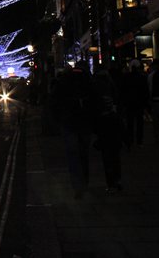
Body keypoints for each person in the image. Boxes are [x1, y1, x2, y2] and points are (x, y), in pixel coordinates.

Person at [53, 61, 96, 199]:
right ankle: (85, 181)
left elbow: (54, 102)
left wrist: (58, 120)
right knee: (84, 154)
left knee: (72, 155)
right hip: (85, 122)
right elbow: (96, 102)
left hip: (68, 123)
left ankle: (77, 185)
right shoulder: (89, 80)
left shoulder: (63, 81)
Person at [92, 66, 123, 193]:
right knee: (115, 154)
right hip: (115, 123)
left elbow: (94, 108)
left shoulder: (95, 87)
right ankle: (117, 180)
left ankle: (111, 182)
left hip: (104, 124)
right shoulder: (113, 86)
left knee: (107, 155)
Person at [120, 59, 148, 149]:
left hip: (129, 103)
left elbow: (122, 91)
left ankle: (130, 140)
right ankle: (139, 141)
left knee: (130, 123)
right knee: (140, 123)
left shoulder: (125, 77)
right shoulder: (142, 77)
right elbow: (145, 91)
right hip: (139, 103)